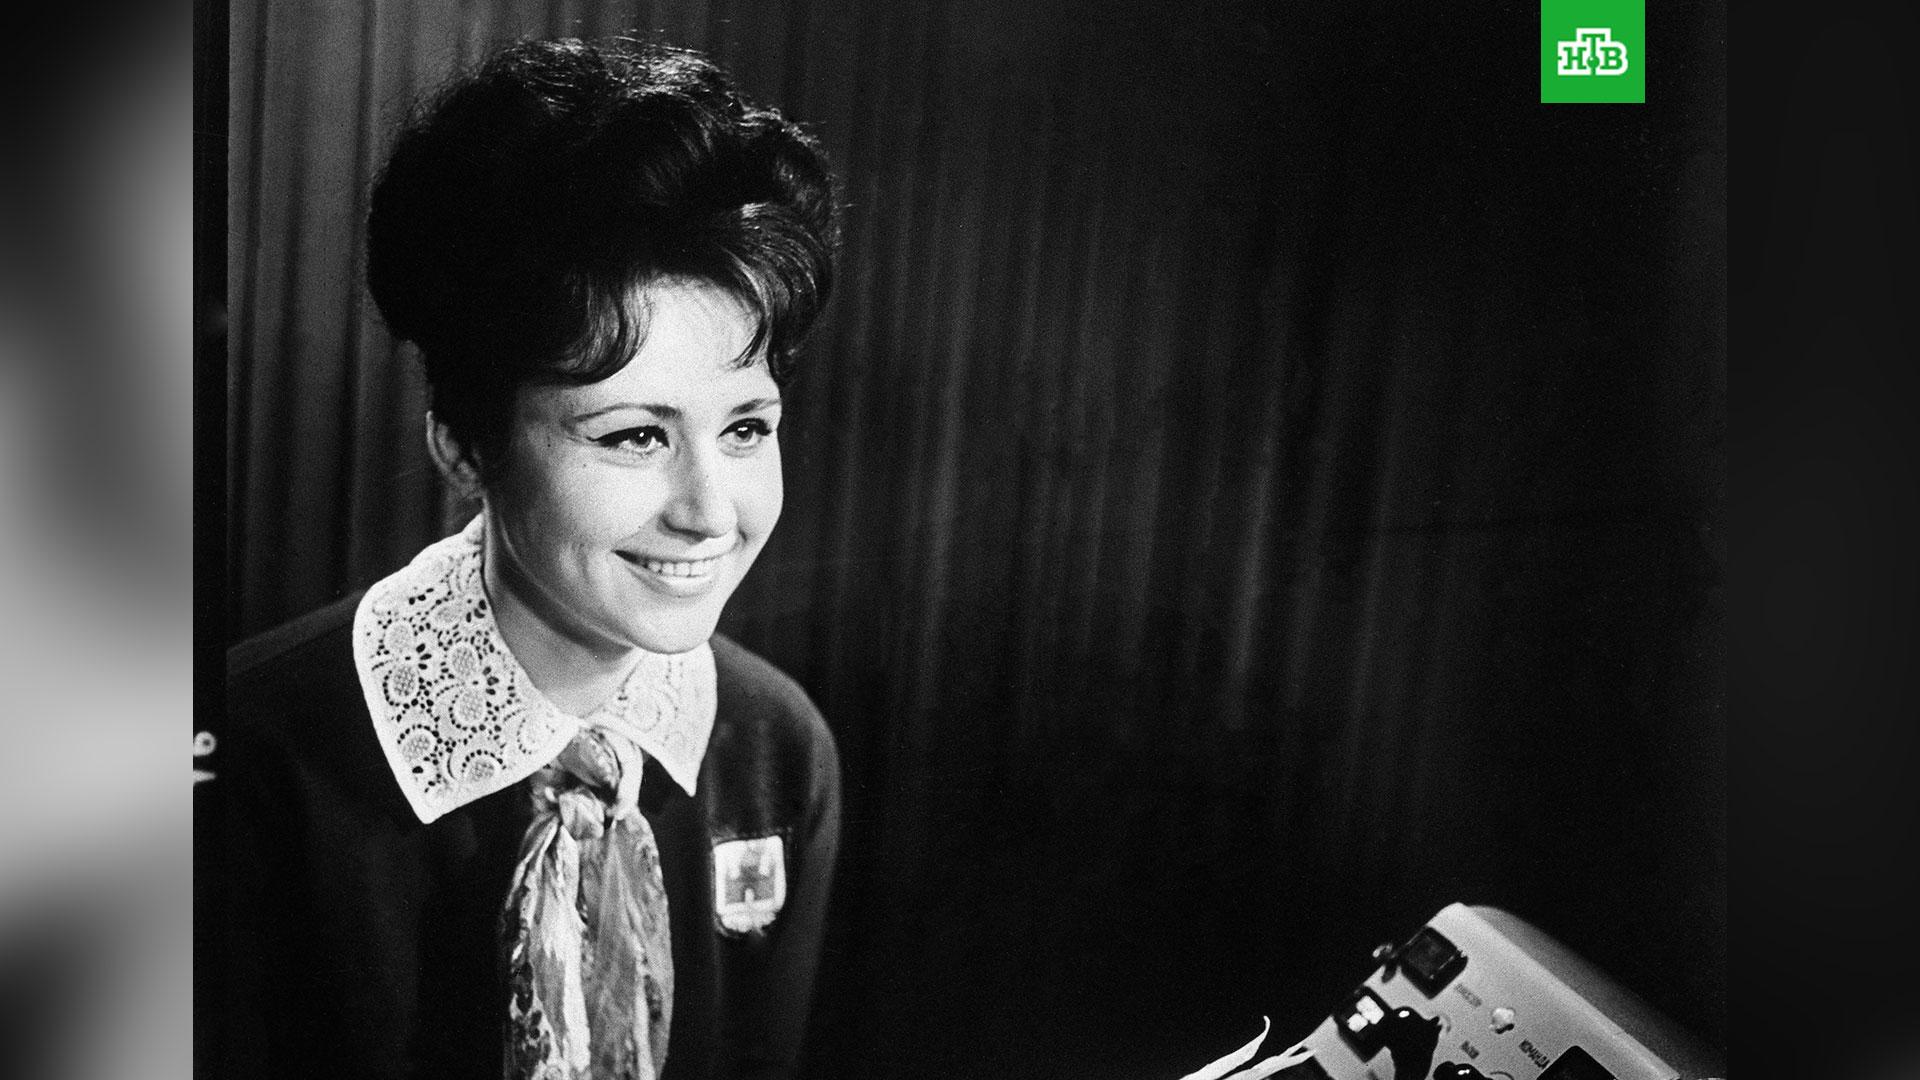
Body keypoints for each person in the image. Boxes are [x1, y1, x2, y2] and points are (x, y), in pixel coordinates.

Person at [214, 37, 843, 1080]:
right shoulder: (246, 762)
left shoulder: (777, 747)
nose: (709, 512)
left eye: (745, 429)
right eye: (633, 436)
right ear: (465, 446)